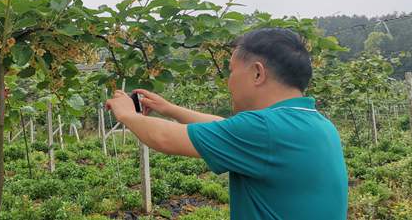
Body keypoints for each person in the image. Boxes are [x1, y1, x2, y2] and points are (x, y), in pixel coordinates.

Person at [105, 28, 348, 220]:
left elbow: (164, 139)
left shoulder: (263, 129)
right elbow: (227, 128)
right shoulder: (317, 124)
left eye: (231, 71)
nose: (228, 82)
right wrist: (169, 109)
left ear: (257, 73)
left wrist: (128, 115)